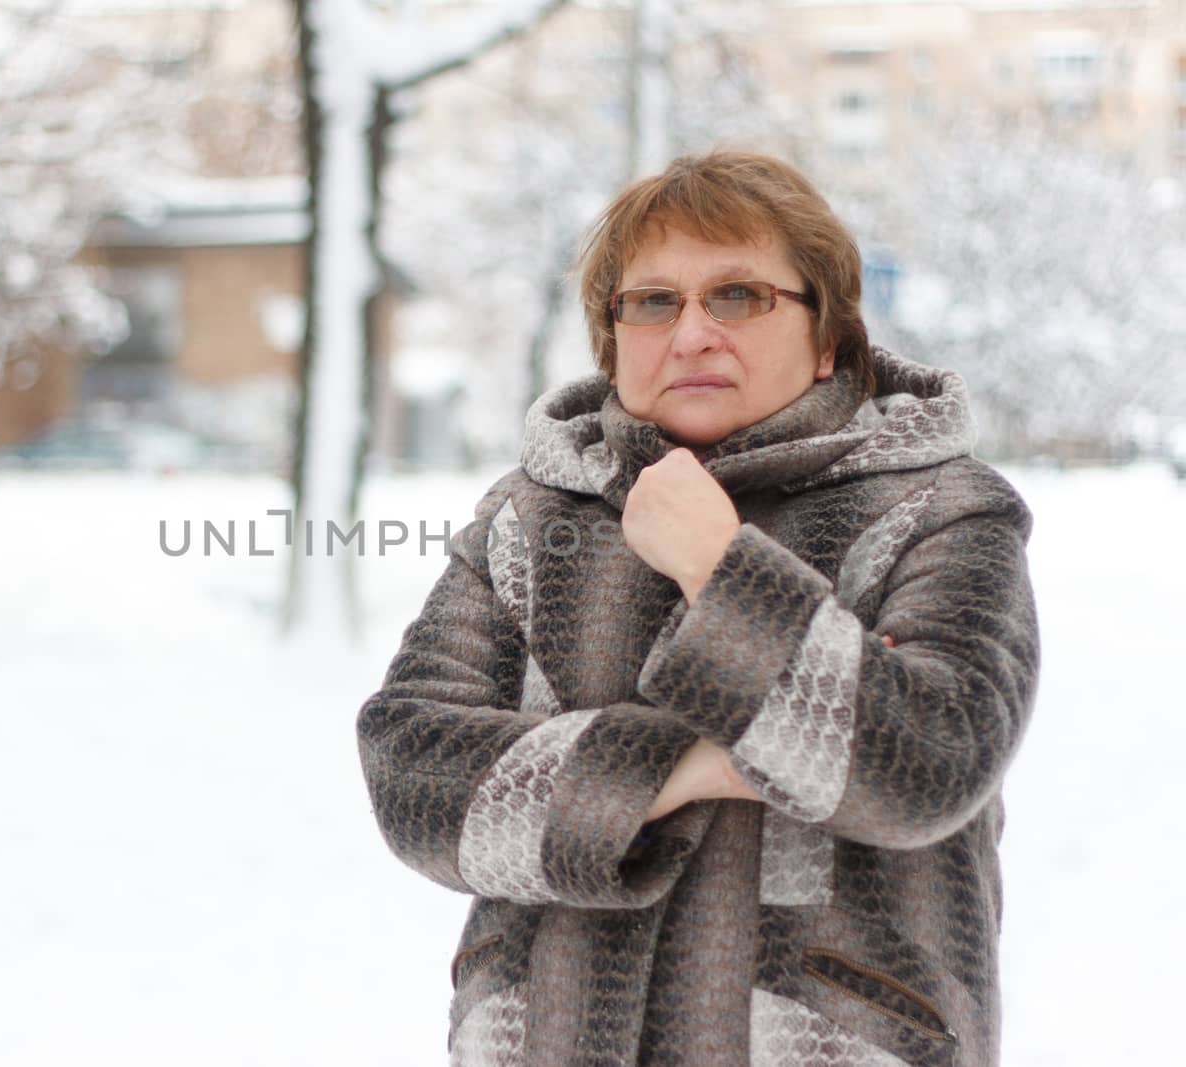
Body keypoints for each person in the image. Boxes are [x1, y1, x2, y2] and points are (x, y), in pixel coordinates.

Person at [356, 150, 1038, 1066]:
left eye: (740, 295)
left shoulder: (941, 509)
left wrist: (719, 567)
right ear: (613, 339)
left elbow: (929, 763)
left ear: (830, 336)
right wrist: (687, 763)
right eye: (653, 302)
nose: (692, 334)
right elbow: (411, 770)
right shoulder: (528, 518)